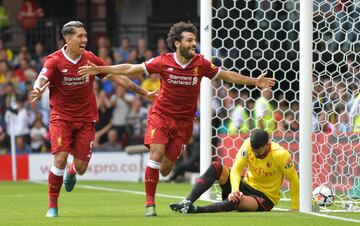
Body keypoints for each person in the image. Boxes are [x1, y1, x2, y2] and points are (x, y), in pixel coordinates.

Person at [78, 21, 276, 217]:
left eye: (194, 40)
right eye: (189, 40)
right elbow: (132, 68)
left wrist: (254, 81)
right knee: (156, 155)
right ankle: (150, 204)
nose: (193, 43)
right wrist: (102, 69)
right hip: (161, 115)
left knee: (165, 169)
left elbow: (226, 75)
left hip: (184, 123)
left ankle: (161, 177)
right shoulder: (163, 61)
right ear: (177, 43)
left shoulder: (201, 63)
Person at [30, 21, 157, 218]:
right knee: (60, 158)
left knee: (81, 168)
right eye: (80, 36)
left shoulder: (90, 59)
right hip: (61, 118)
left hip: (86, 119)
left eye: (86, 36)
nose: (85, 40)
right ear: (68, 38)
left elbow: (118, 77)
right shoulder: (54, 61)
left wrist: (144, 92)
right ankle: (52, 206)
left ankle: (72, 170)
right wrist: (38, 88)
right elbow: (42, 78)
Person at [169, 129, 299, 214]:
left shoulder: (281, 155)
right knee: (216, 167)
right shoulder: (248, 144)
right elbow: (236, 169)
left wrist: (294, 207)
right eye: (253, 151)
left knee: (237, 201)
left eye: (258, 152)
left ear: (267, 144)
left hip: (264, 198)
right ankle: (187, 201)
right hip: (245, 185)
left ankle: (196, 210)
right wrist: (235, 190)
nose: (255, 154)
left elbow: (293, 179)